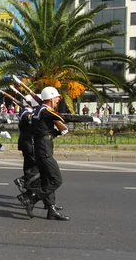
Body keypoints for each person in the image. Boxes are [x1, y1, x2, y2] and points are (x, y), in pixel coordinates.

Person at [19, 87, 101, 220]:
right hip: (43, 150)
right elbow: (65, 117)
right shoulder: (44, 111)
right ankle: (30, 199)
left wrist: (57, 132)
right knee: (56, 180)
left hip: (42, 147)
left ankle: (51, 209)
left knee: (47, 180)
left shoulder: (38, 111)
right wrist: (90, 118)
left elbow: (43, 132)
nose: (58, 99)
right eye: (56, 97)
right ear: (50, 98)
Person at [14, 95, 41, 205]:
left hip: (27, 142)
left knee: (30, 167)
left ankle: (27, 186)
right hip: (29, 142)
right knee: (34, 168)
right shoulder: (27, 114)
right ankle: (25, 182)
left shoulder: (26, 112)